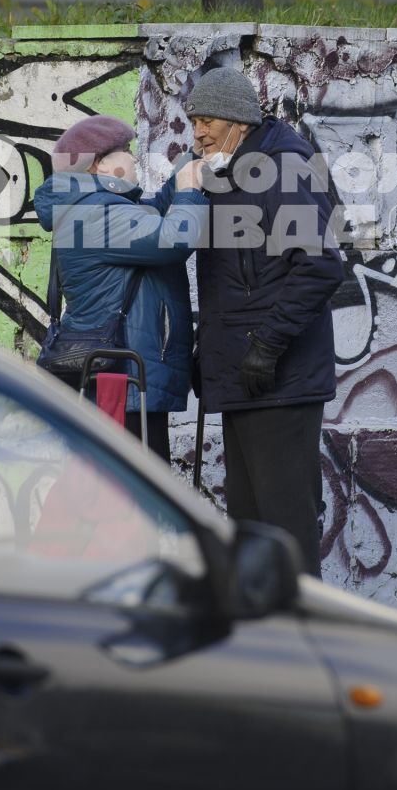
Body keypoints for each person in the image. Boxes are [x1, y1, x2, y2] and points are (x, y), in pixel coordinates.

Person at [159, 67, 344, 576]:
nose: (197, 132)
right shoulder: (230, 169)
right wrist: (209, 349)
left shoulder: (285, 166)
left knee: (284, 530)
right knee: (251, 526)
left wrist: (267, 343)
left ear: (240, 120)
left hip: (279, 378)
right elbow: (234, 278)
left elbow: (320, 263)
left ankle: (303, 641)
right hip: (246, 375)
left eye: (208, 120)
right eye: (193, 119)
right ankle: (266, 643)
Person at [32, 114, 207, 462]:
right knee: (132, 505)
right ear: (98, 165)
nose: (133, 157)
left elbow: (151, 215)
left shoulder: (96, 207)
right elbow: (171, 237)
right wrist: (189, 190)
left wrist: (190, 163)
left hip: (122, 379)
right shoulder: (97, 213)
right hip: (118, 383)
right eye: (125, 150)